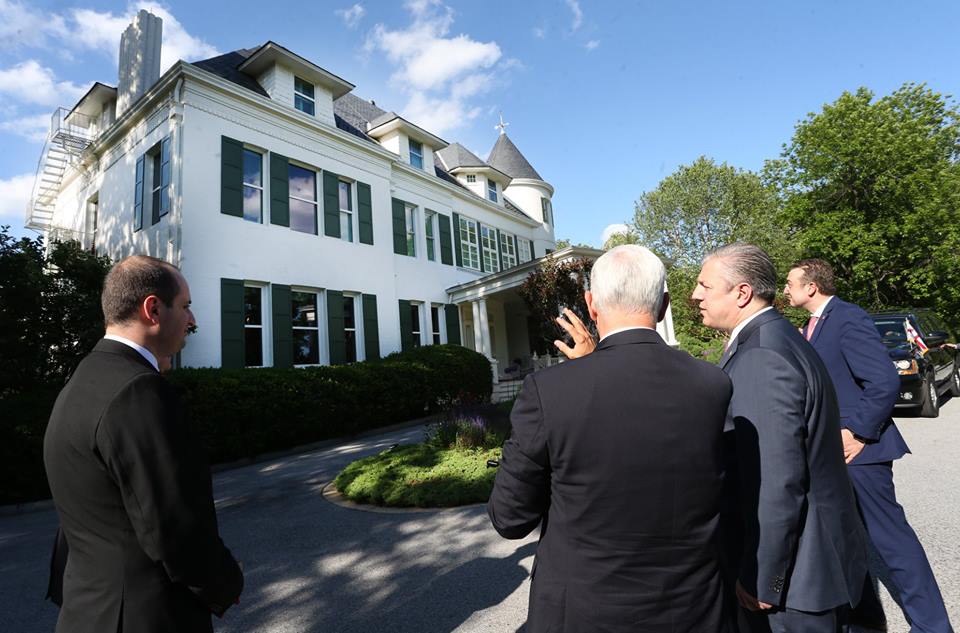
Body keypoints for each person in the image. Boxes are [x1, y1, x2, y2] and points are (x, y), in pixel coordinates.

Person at [488, 245, 733, 632]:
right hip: (692, 610)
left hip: (583, 614)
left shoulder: (550, 391)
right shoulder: (713, 384)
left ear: (591, 305)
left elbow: (510, 518)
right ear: (664, 305)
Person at [43, 255, 243, 633]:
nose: (192, 320)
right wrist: (226, 582)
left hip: (87, 612)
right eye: (185, 306)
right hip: (145, 617)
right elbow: (173, 527)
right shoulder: (139, 392)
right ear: (153, 309)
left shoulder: (82, 380)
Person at [785, 258, 954, 633]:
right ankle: (866, 619)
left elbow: (883, 381)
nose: (785, 289)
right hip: (831, 450)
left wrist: (858, 433)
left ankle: (933, 626)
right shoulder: (814, 325)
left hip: (860, 450)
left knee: (891, 540)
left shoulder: (848, 318)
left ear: (811, 286)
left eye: (790, 283)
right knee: (847, 538)